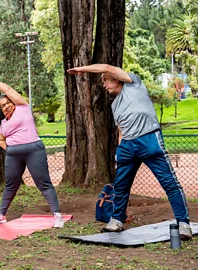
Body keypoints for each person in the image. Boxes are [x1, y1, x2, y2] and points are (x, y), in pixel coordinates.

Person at [67, 64, 192, 239]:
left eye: (106, 80)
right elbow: (121, 129)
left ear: (116, 78)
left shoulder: (134, 84)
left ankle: (184, 224)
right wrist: (120, 150)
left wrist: (83, 69)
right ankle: (116, 220)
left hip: (148, 140)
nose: (104, 84)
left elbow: (106, 66)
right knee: (120, 186)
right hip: (127, 146)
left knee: (170, 184)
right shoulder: (114, 105)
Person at [0, 79, 64, 228]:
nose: (7, 106)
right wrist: (9, 149)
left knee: (43, 182)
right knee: (11, 185)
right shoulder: (4, 123)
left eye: (8, 103)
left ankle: (57, 215)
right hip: (13, 155)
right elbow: (0, 140)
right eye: (3, 106)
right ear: (1, 110)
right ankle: (1, 214)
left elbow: (8, 88)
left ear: (13, 102)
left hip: (33, 150)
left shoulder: (23, 108)